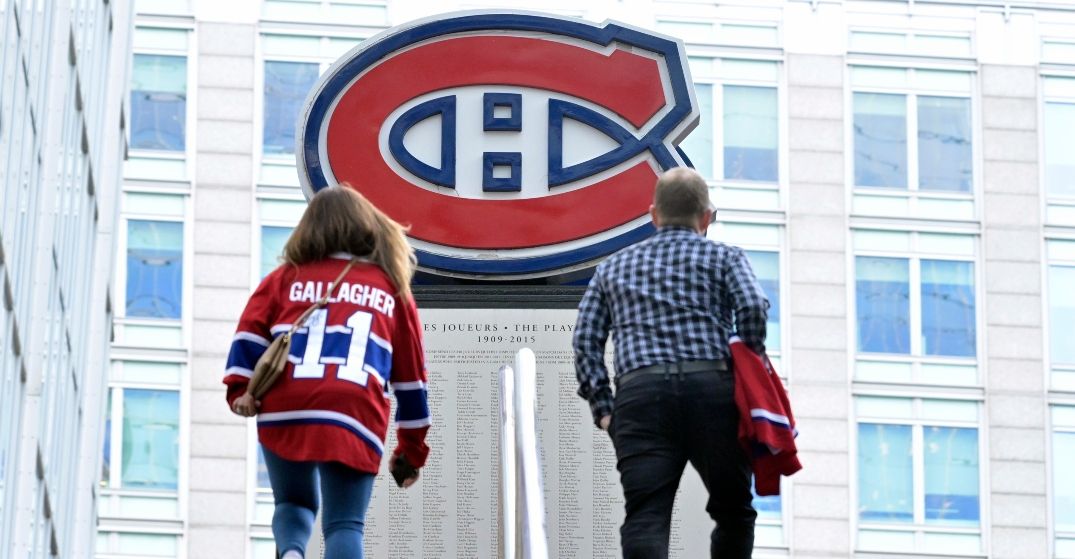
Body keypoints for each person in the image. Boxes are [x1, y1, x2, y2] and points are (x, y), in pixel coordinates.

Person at [223, 185, 431, 559]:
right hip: (353, 407)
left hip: (288, 402)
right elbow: (412, 382)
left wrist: (241, 391)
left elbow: (247, 338)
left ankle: (290, 552)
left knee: (293, 502)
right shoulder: (391, 288)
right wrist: (411, 452)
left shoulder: (284, 279)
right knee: (344, 523)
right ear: (365, 226)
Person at [573, 167, 769, 559]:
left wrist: (604, 409)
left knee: (646, 515)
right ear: (706, 217)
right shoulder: (725, 257)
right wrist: (747, 359)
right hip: (712, 392)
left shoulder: (613, 267)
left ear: (654, 215)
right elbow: (751, 306)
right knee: (733, 510)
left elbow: (585, 340)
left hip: (641, 397)